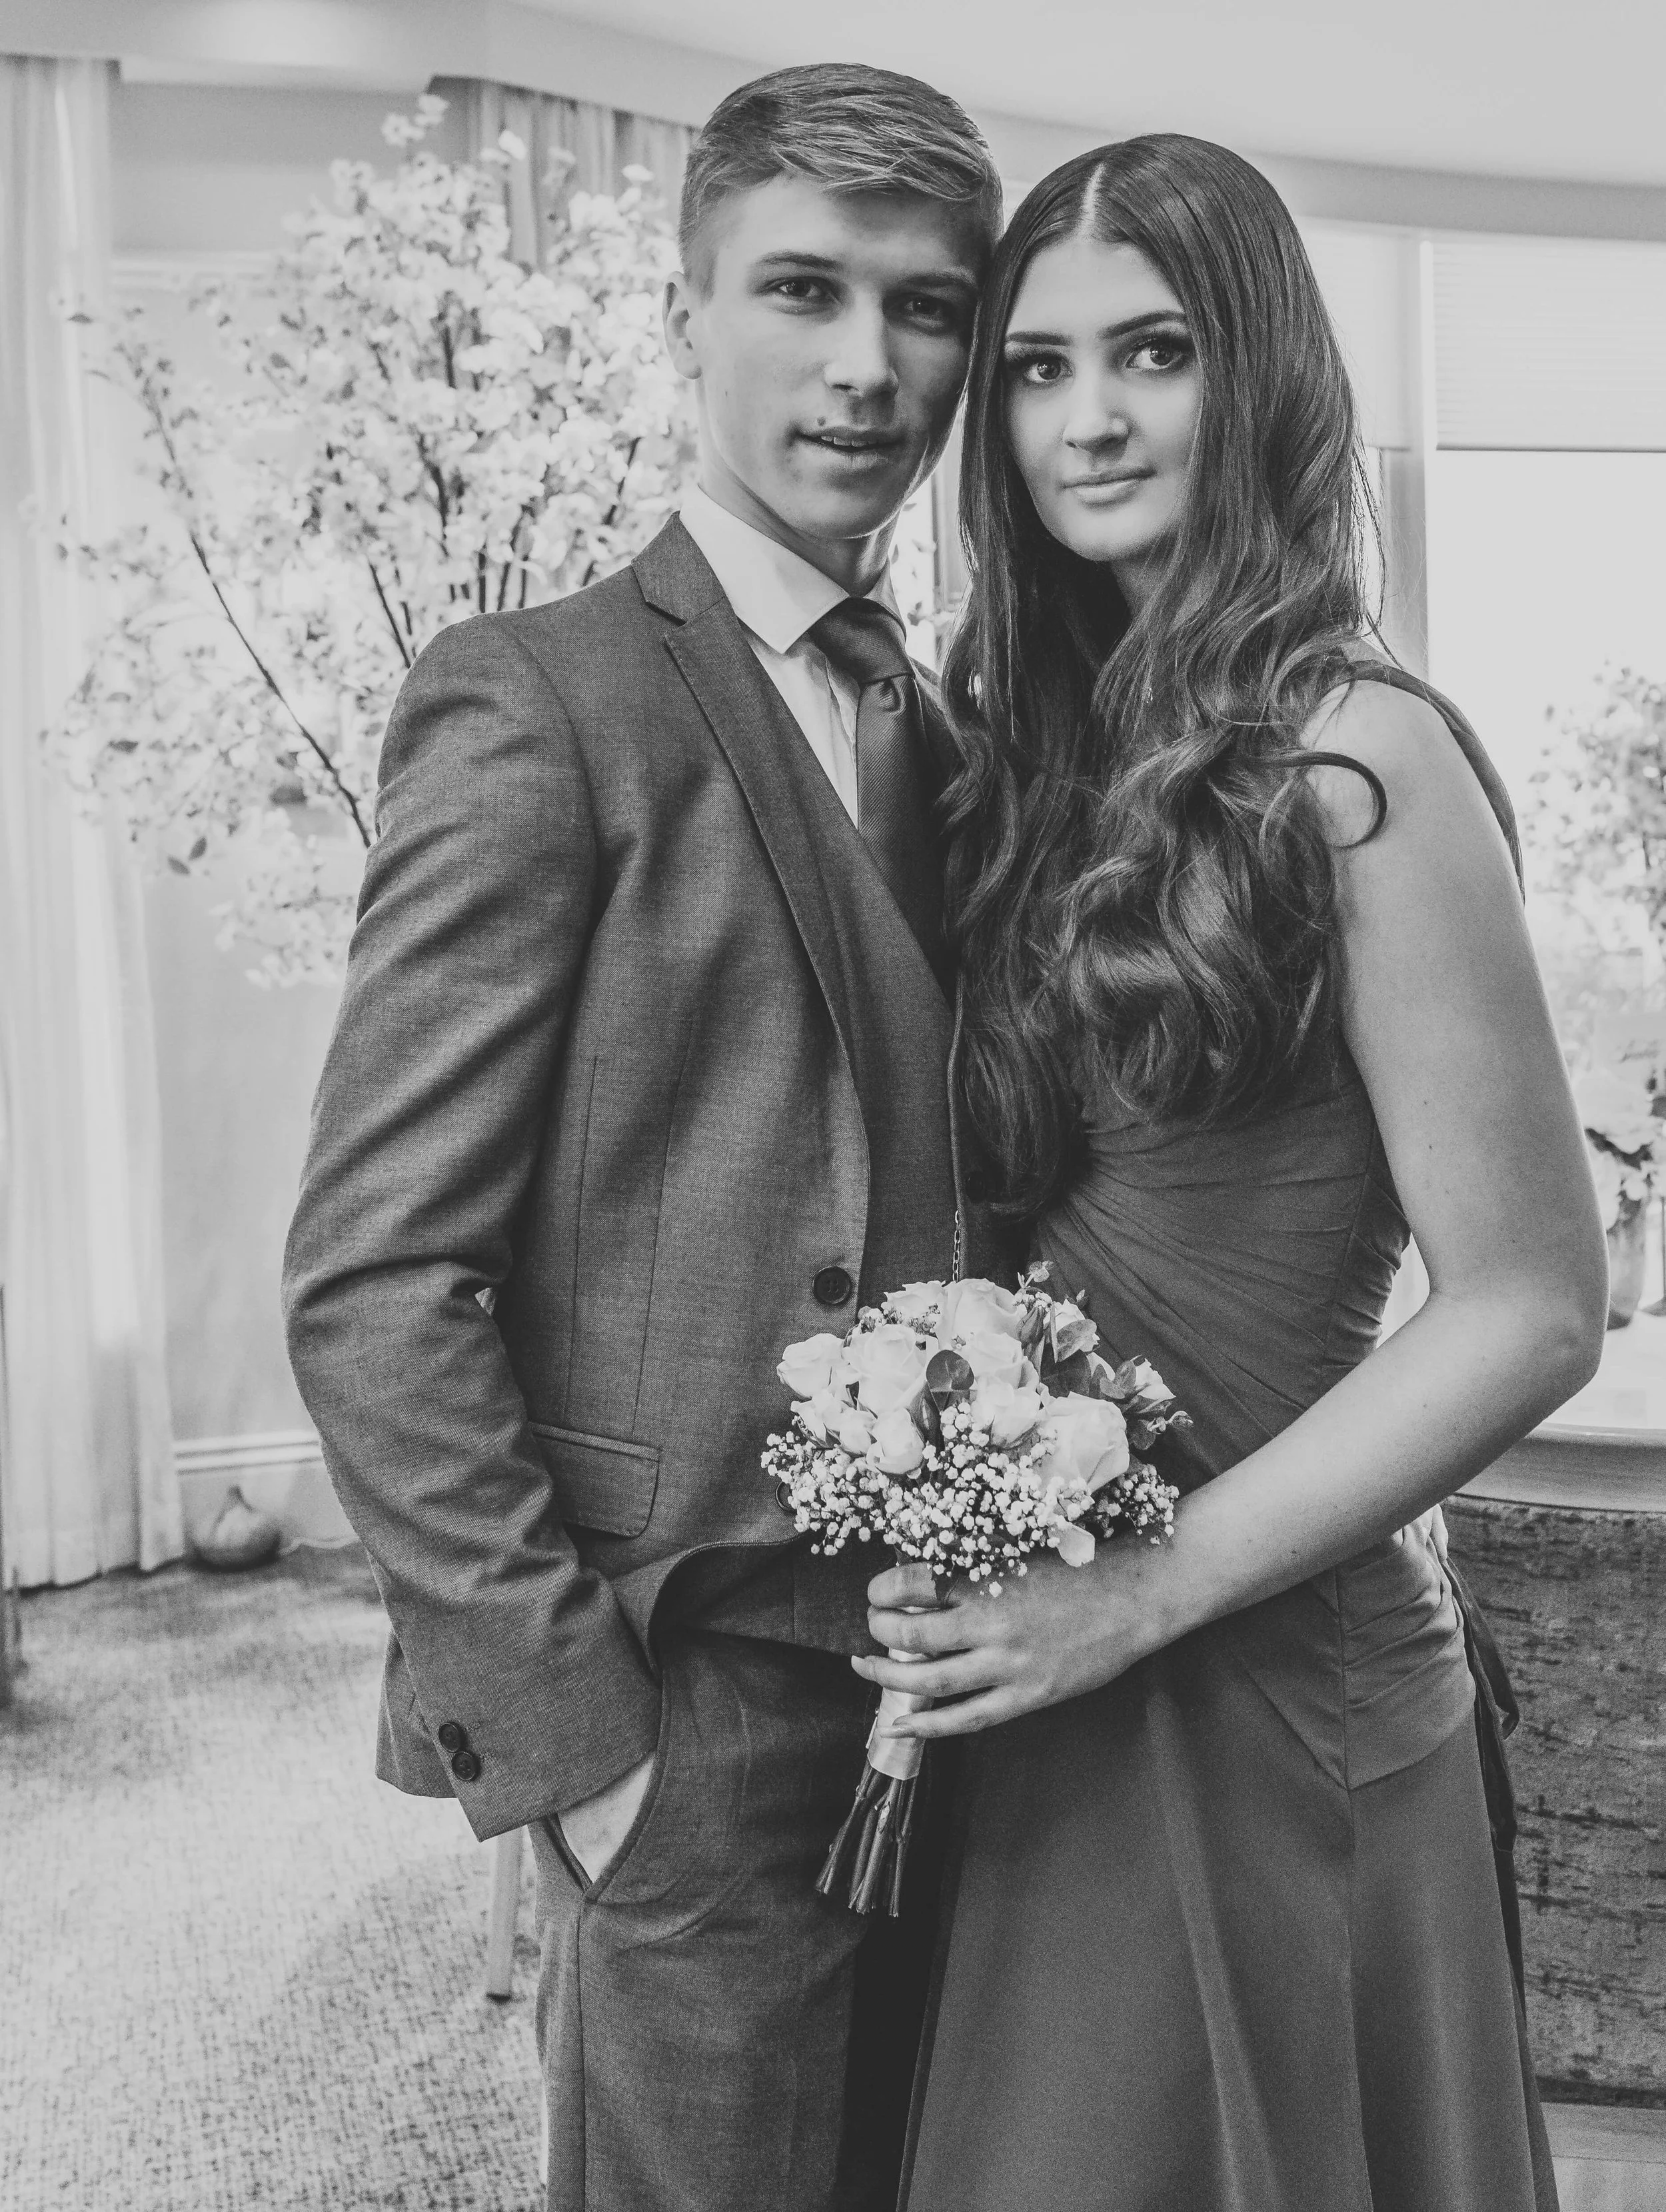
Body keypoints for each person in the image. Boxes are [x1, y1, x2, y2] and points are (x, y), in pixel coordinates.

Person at [854, 135, 1609, 2212]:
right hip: (1046, 1668)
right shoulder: (1016, 754)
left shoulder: (1358, 756)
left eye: (1153, 351)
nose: (1086, 417)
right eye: (1036, 366)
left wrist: (1145, 1586)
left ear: (1256, 373)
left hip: (1263, 1668)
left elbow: (1533, 1302)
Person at [281, 64, 1005, 2212]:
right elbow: (375, 1275)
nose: (866, 364)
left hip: (975, 1685)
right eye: (802, 288)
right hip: (686, 1703)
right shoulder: (536, 696)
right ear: (686, 313)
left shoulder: (960, 734)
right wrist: (584, 1750)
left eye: (926, 307)